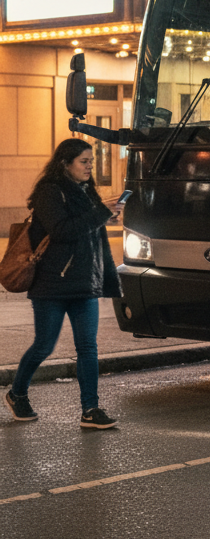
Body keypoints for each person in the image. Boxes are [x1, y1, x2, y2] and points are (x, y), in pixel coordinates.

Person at [5, 139, 124, 429]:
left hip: (84, 283)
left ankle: (90, 409)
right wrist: (101, 213)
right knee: (44, 346)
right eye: (84, 161)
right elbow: (63, 231)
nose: (90, 166)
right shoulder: (50, 191)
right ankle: (17, 393)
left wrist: (105, 213)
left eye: (91, 161)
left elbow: (88, 232)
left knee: (88, 347)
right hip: (52, 284)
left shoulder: (86, 191)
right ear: (65, 163)